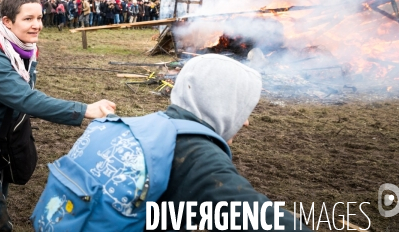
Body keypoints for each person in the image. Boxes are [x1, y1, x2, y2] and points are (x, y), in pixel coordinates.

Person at [33, 54, 311, 231]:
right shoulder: (194, 153)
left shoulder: (138, 126)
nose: (246, 122)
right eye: (243, 109)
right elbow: (263, 220)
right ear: (224, 105)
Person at [0, 0, 116, 231]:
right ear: (7, 21)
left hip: (3, 142)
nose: (37, 25)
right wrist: (85, 109)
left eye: (40, 18)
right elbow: (25, 99)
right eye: (28, 19)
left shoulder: (25, 51)